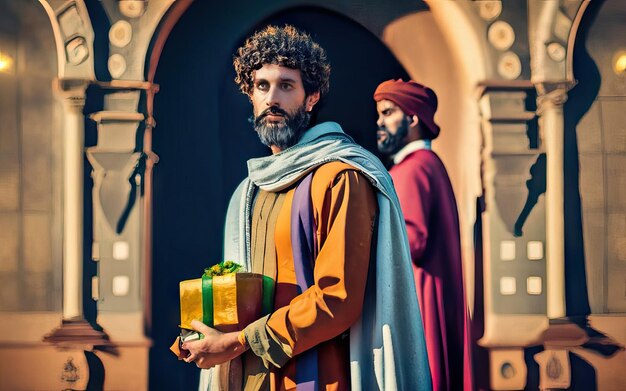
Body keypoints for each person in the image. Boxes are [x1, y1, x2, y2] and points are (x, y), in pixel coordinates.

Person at [182, 26, 431, 390]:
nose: (271, 99)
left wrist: (237, 342)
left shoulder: (341, 177)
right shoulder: (248, 191)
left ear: (311, 97)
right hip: (252, 377)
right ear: (250, 95)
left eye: (286, 85)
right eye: (262, 86)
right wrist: (199, 339)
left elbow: (337, 298)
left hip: (321, 377)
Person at [374, 79, 473, 391]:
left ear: (413, 119)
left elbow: (411, 243)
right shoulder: (430, 164)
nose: (379, 122)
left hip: (418, 304)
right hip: (431, 300)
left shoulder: (411, 170)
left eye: (388, 112)